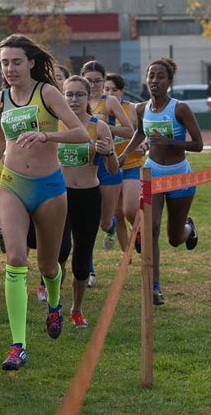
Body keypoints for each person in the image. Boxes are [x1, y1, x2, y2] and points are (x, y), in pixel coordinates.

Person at [0, 34, 89, 371]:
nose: (9, 69)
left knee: (49, 265)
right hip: (11, 184)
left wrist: (47, 135)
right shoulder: (2, 100)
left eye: (15, 62)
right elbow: (0, 140)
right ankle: (18, 346)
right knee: (14, 257)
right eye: (4, 63)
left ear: (30, 62)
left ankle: (55, 304)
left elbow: (81, 133)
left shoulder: (47, 93)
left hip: (50, 187)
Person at [118, 57, 203, 306]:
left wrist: (172, 143)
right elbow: (141, 133)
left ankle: (188, 228)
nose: (154, 81)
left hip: (179, 174)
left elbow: (199, 145)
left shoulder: (180, 109)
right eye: (151, 76)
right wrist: (124, 155)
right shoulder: (141, 108)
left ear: (169, 81)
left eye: (160, 76)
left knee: (174, 238)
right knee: (150, 230)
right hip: (151, 173)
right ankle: (154, 287)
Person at [58, 76, 118, 328]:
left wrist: (108, 152)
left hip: (88, 196)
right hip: (59, 196)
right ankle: (54, 306)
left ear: (88, 97)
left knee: (82, 260)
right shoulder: (56, 124)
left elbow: (113, 170)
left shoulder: (99, 127)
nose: (73, 100)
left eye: (78, 95)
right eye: (68, 94)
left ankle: (77, 309)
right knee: (59, 253)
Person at [82, 61, 132, 281]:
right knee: (87, 223)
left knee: (103, 222)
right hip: (84, 167)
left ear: (104, 81)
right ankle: (88, 270)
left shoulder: (109, 101)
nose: (93, 85)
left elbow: (129, 131)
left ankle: (111, 227)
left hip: (107, 166)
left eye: (98, 81)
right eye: (89, 80)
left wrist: (101, 127)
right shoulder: (75, 101)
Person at [104, 73, 145, 260]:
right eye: (107, 89)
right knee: (117, 212)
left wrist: (144, 146)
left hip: (131, 164)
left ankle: (137, 230)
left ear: (122, 91)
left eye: (114, 90)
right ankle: (125, 252)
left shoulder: (133, 109)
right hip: (111, 166)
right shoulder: (99, 110)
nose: (110, 93)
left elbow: (145, 133)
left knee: (129, 208)